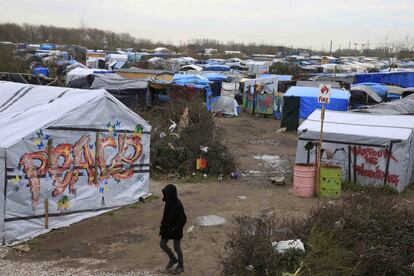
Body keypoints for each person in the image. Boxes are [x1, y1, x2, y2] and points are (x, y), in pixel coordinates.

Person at [159, 184, 187, 273]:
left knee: (177, 248)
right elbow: (165, 216)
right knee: (162, 244)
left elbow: (183, 219)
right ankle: (173, 258)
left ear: (172, 194)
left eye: (167, 194)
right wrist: (162, 227)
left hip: (176, 230)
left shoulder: (178, 204)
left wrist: (175, 228)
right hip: (167, 228)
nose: (166, 195)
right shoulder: (168, 202)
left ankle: (181, 266)